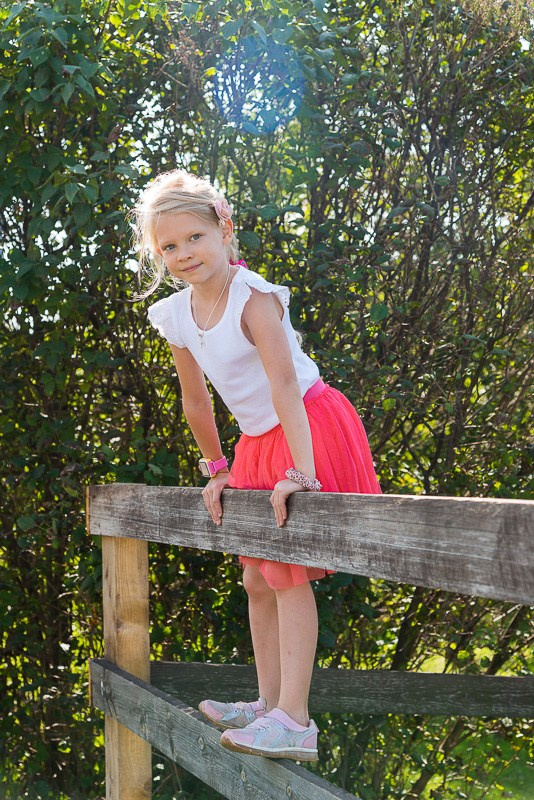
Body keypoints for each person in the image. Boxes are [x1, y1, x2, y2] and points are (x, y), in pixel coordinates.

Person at [132, 169, 383, 763]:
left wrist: (302, 470)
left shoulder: (254, 297)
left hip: (306, 426)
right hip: (254, 442)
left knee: (288, 574)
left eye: (194, 237)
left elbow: (284, 388)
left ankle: (295, 720)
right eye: (168, 246)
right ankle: (269, 702)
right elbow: (196, 401)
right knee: (255, 577)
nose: (184, 254)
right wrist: (217, 464)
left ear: (224, 229)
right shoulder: (176, 315)